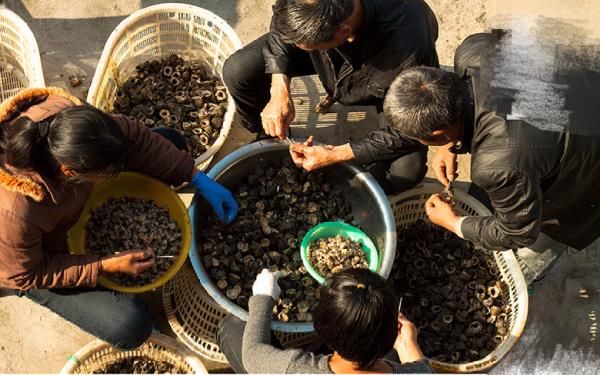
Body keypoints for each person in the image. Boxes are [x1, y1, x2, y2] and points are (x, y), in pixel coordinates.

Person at [0, 87, 238, 349]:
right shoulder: (14, 212)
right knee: (130, 326)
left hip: (69, 207)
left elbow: (133, 138)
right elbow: (23, 275)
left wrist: (195, 176)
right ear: (69, 172)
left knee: (172, 142)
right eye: (106, 173)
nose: (114, 174)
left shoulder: (68, 117)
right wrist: (101, 266)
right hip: (32, 261)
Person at [377, 32, 600, 283]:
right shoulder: (474, 50)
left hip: (589, 161)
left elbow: (517, 233)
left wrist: (453, 222)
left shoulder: (497, 165)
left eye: (423, 139)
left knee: (550, 228)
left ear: (437, 133)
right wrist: (448, 146)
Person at [224, 0, 439, 192]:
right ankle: (267, 136)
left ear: (344, 33)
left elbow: (412, 130)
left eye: (304, 45)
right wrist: (278, 88)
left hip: (389, 84)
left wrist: (337, 154)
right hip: (326, 50)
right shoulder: (310, 22)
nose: (297, 46)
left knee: (407, 171)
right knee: (237, 70)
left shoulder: (408, 44)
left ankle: (358, 192)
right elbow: (282, 31)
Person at [217, 268, 431, 373]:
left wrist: (263, 297)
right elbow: (424, 370)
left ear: (321, 327)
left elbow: (252, 353)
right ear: (391, 333)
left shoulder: (296, 368)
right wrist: (408, 344)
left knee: (232, 327)